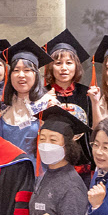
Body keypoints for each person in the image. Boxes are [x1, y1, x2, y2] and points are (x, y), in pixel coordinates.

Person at [43, 29, 93, 185]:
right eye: (58, 63)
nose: (63, 67)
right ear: (51, 67)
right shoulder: (43, 94)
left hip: (82, 166)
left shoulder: (87, 93)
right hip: (51, 164)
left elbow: (92, 128)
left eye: (69, 63)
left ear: (76, 66)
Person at [0, 38, 56, 158]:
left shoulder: (48, 104)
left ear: (35, 75)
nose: (21, 75)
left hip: (36, 172)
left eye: (27, 70)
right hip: (6, 170)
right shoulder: (2, 105)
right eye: (16, 70)